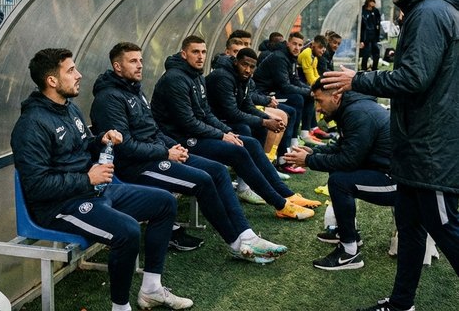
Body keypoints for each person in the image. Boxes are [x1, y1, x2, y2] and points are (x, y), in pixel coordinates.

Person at [323, 0, 459, 311]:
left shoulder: (430, 12)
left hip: (431, 150)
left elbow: (413, 78)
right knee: (412, 230)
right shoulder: (426, 8)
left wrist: (358, 81)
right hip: (416, 147)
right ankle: (401, 305)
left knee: (448, 231)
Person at [11, 48, 193, 311]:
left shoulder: (70, 110)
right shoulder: (31, 125)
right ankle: (120, 307)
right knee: (127, 231)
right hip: (60, 208)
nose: (79, 75)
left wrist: (102, 139)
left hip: (95, 191)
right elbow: (37, 186)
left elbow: (85, 145)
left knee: (164, 203)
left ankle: (151, 289)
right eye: (71, 70)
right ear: (52, 81)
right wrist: (88, 178)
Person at [90, 42, 288, 263]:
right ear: (117, 66)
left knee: (217, 170)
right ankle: (236, 244)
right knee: (203, 180)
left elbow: (153, 129)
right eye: (133, 61)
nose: (140, 66)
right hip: (136, 168)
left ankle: (247, 235)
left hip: (158, 154)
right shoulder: (109, 99)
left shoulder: (135, 90)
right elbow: (125, 147)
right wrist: (165, 153)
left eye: (141, 60)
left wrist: (171, 147)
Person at [151, 35, 319, 218]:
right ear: (184, 54)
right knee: (238, 148)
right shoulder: (176, 79)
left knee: (249, 143)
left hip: (195, 133)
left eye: (203, 52)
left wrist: (227, 132)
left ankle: (285, 194)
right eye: (195, 52)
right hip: (178, 140)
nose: (200, 56)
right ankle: (280, 204)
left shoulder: (196, 76)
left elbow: (206, 113)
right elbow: (189, 122)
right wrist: (223, 135)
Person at [284, 80, 395, 271]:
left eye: (319, 101)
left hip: (399, 182)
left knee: (339, 181)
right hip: (385, 171)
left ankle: (349, 252)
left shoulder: (358, 113)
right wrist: (313, 153)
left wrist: (309, 161)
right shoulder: (352, 108)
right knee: (338, 175)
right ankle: (349, 233)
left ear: (336, 96)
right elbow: (344, 147)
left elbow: (348, 160)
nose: (318, 109)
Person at [253, 31, 324, 161]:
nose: (297, 48)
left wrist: (311, 90)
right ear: (288, 43)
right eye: (294, 44)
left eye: (300, 45)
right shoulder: (279, 57)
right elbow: (284, 86)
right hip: (263, 94)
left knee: (305, 96)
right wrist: (308, 91)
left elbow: (295, 80)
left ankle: (302, 135)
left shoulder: (290, 57)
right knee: (295, 102)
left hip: (273, 92)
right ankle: (285, 154)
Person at [359, 0, 382, 71]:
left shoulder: (375, 11)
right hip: (366, 36)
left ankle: (375, 67)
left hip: (374, 35)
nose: (373, 3)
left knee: (376, 52)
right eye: (372, 2)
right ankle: (364, 68)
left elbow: (378, 22)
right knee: (366, 52)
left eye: (374, 2)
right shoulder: (363, 11)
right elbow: (361, 26)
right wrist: (361, 40)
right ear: (368, 2)